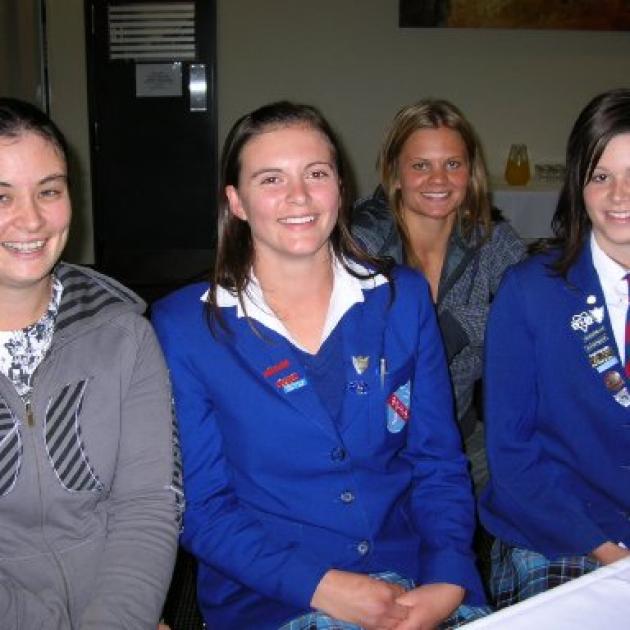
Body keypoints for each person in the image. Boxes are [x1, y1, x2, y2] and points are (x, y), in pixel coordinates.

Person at [152, 101, 489, 629]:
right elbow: (203, 509)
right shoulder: (185, 328)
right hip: (276, 595)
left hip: (416, 576)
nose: (300, 197)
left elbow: (439, 463)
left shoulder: (403, 298)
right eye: (271, 179)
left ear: (340, 186)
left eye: (316, 174)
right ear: (236, 202)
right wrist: (323, 587)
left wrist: (448, 575)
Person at [0, 97, 181, 629]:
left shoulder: (124, 333)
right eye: (0, 196)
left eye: (49, 190)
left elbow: (148, 504)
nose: (31, 219)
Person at [479, 88, 630, 608]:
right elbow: (512, 455)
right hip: (560, 530)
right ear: (577, 183)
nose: (619, 197)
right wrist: (613, 557)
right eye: (600, 176)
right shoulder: (530, 292)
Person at [352, 99, 525, 489]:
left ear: (471, 172)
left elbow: (536, 315)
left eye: (453, 164)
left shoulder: (493, 243)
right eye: (420, 165)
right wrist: (436, 335)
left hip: (460, 434)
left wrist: (461, 324)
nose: (439, 180)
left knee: (538, 502)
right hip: (374, 450)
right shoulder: (360, 246)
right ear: (394, 174)